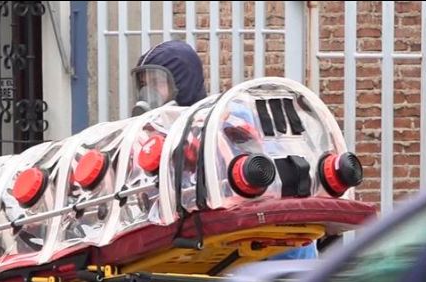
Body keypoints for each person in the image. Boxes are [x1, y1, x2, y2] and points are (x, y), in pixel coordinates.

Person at [132, 40, 317, 260]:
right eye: (144, 85)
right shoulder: (166, 134)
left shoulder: (226, 118)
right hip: (218, 254)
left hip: (269, 244)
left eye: (156, 83)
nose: (149, 93)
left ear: (181, 82)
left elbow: (254, 185)